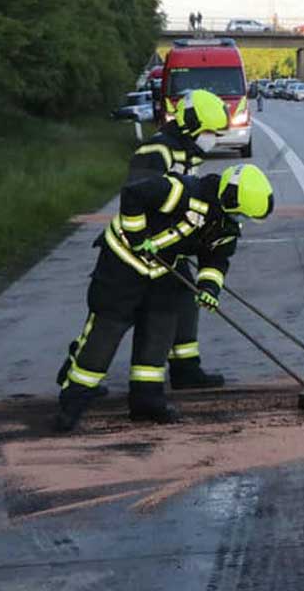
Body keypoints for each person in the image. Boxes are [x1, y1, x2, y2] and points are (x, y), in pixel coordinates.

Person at [54, 165, 274, 432]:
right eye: (240, 212)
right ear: (229, 197)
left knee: (160, 328)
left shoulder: (226, 225)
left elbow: (216, 259)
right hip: (122, 260)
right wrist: (137, 238)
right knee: (107, 329)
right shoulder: (183, 191)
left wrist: (209, 288)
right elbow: (133, 194)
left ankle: (146, 399)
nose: (240, 219)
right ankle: (74, 399)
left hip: (162, 268)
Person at [123, 89, 230, 389]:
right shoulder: (158, 151)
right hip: (137, 248)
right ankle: (76, 371)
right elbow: (138, 196)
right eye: (210, 131)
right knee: (116, 312)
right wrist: (146, 241)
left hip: (168, 245)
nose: (213, 138)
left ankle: (185, 368)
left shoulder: (186, 149)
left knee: (184, 300)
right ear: (193, 124)